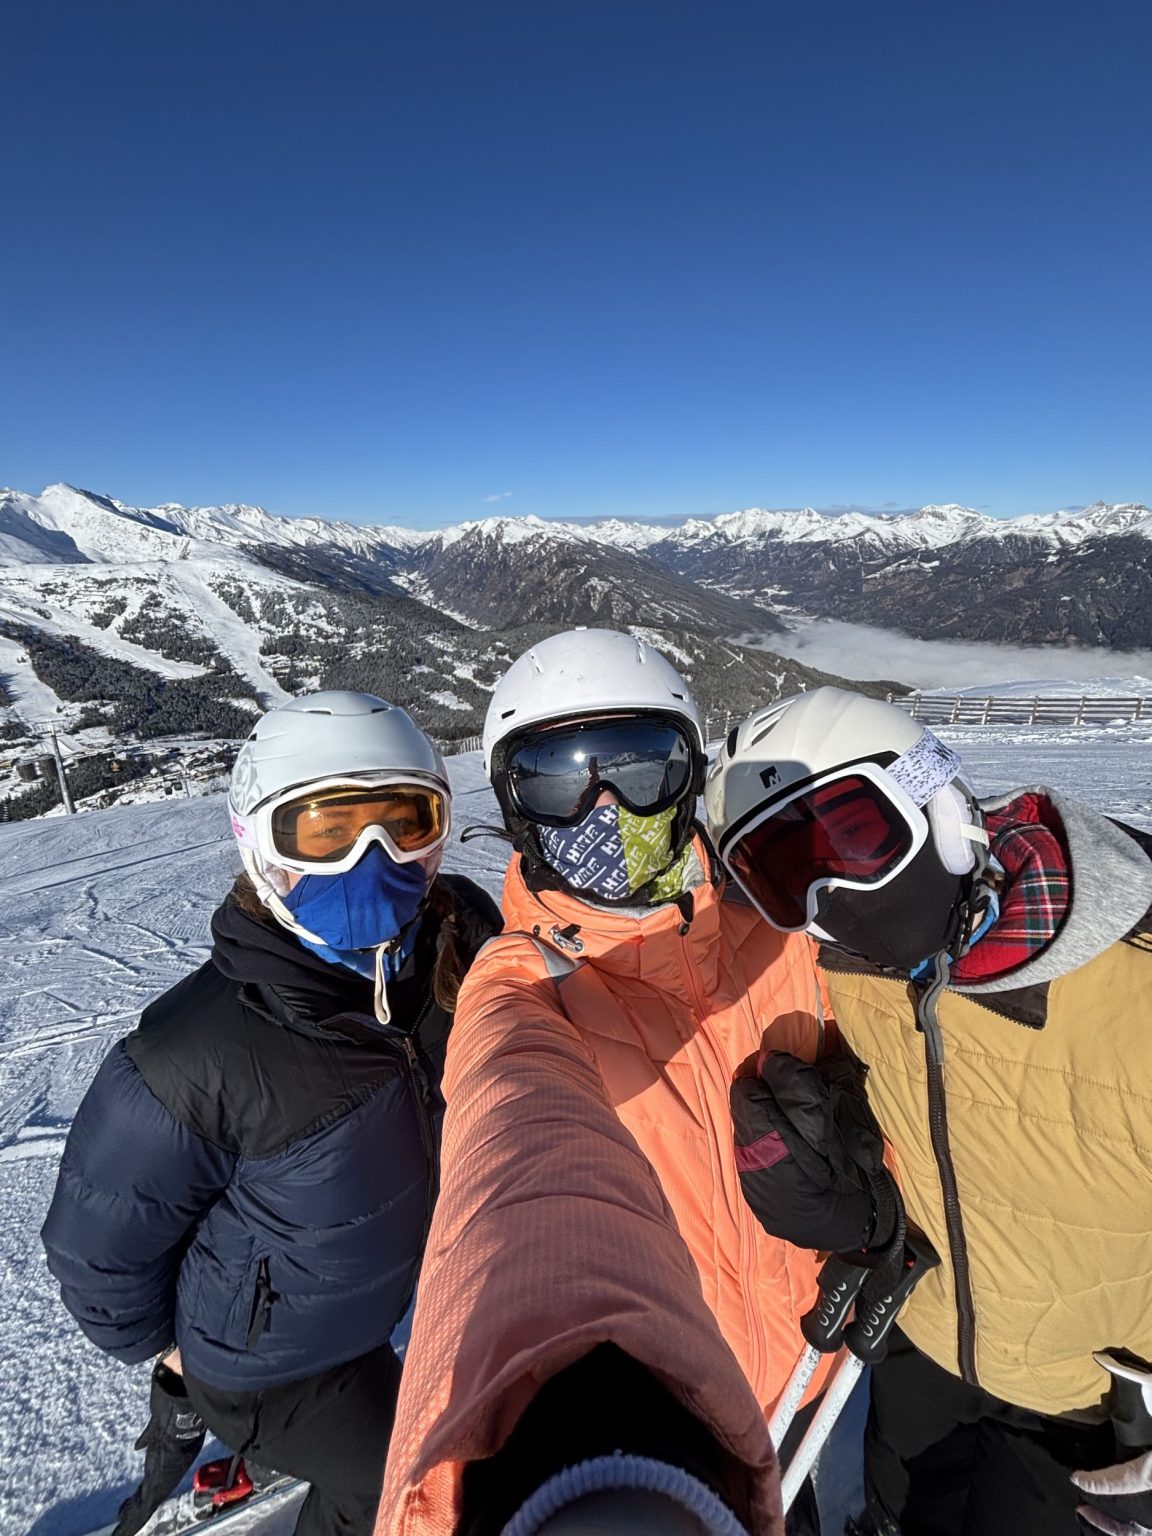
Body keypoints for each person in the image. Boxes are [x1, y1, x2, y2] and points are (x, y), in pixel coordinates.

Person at [378, 629, 842, 1532]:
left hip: (815, 1368)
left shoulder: (780, 916)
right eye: (558, 781)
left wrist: (872, 1195)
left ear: (688, 772)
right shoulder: (525, 988)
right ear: (516, 808)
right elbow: (518, 1150)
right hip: (683, 1405)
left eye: (638, 768)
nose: (603, 808)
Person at [41, 691, 502, 1536]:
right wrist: (171, 1354)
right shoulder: (198, 1053)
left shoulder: (458, 943)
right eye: (324, 832)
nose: (371, 857)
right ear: (258, 844)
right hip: (274, 1364)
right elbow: (94, 1251)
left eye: (404, 821)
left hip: (385, 1299)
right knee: (410, 1486)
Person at [706, 684, 1152, 1536]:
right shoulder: (845, 976)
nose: (828, 896)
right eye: (785, 879)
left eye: (852, 838)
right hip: (919, 1346)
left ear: (941, 809)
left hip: (1082, 1400)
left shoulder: (1134, 981)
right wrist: (845, 1180)